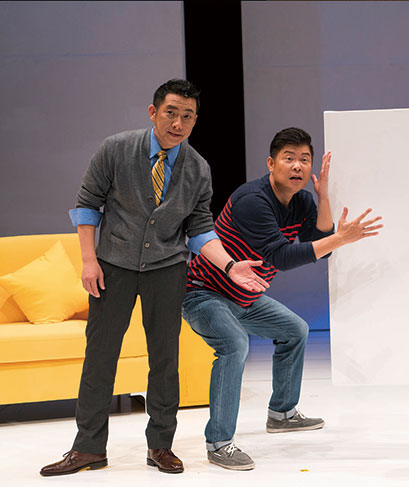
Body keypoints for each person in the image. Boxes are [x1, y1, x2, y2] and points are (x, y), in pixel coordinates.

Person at [41, 79, 268, 477]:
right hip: (113, 265)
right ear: (153, 112)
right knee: (100, 357)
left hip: (166, 268)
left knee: (165, 359)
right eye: (171, 113)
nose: (178, 123)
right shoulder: (116, 149)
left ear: (195, 121)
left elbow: (200, 229)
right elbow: (88, 204)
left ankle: (160, 445)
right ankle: (88, 448)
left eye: (188, 116)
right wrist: (89, 261)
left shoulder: (197, 168)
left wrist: (230, 265)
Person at [182, 127, 382, 471]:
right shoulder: (252, 200)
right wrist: (341, 238)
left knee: (295, 330)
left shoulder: (301, 201)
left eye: (304, 159)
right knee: (233, 346)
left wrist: (323, 196)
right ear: (271, 164)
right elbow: (282, 257)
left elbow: (321, 244)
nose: (298, 166)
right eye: (289, 158)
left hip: (244, 297)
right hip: (203, 292)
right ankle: (219, 443)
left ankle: (283, 413)